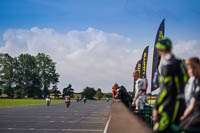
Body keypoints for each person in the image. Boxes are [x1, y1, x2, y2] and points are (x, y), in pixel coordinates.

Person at [152, 38, 188, 133]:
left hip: (170, 105)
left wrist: (155, 107)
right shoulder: (181, 63)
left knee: (158, 130)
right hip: (183, 104)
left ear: (159, 50)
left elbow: (165, 90)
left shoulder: (167, 66)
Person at [179, 57, 200, 128]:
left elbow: (192, 105)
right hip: (194, 113)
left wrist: (184, 116)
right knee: (181, 125)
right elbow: (192, 103)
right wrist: (184, 116)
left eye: (194, 67)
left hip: (197, 115)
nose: (191, 70)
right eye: (189, 69)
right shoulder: (194, 81)